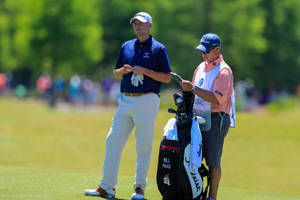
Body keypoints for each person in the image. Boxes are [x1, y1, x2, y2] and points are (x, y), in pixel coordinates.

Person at [85, 12, 172, 200]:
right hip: (125, 99)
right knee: (112, 140)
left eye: (141, 23)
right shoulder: (126, 46)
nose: (137, 27)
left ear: (149, 25)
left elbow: (166, 76)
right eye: (135, 24)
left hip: (147, 100)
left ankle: (139, 188)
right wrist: (122, 71)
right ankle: (107, 187)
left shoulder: (158, 48)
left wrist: (146, 71)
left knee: (143, 146)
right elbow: (115, 73)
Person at [180, 33, 236, 200]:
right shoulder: (201, 67)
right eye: (202, 52)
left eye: (206, 52)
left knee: (213, 160)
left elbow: (216, 98)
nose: (203, 55)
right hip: (197, 117)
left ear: (217, 50)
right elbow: (194, 91)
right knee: (192, 157)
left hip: (217, 119)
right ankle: (194, 192)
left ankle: (212, 197)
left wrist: (192, 88)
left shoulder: (224, 71)